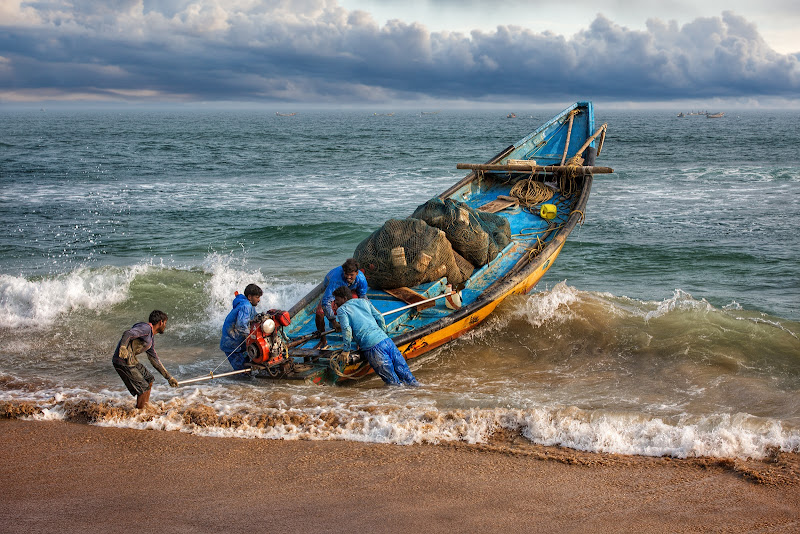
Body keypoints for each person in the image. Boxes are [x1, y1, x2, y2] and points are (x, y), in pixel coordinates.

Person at [333, 286, 419, 386]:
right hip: (386, 341)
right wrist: (383, 333)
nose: (336, 302)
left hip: (373, 347)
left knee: (393, 384)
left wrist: (346, 350)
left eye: (337, 299)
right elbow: (380, 317)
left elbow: (347, 329)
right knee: (409, 378)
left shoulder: (342, 310)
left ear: (344, 298)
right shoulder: (364, 301)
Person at [112, 310, 178, 409]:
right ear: (161, 322)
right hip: (122, 361)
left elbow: (154, 360)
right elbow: (128, 333)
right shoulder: (145, 328)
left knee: (149, 379)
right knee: (144, 388)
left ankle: (143, 406)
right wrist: (123, 347)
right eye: (165, 323)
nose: (165, 326)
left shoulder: (150, 338)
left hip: (131, 361)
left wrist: (169, 377)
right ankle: (140, 412)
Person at [315, 258, 368, 348]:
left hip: (350, 290)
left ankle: (358, 338)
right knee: (320, 313)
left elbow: (362, 297)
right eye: (346, 274)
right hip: (334, 290)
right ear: (343, 271)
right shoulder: (336, 280)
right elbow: (326, 301)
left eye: (351, 275)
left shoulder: (361, 279)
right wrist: (333, 321)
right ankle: (323, 340)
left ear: (357, 273)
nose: (348, 277)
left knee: (356, 310)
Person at [220, 283, 263, 370]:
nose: (259, 300)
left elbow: (254, 318)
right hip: (232, 343)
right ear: (250, 297)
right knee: (243, 371)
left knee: (248, 364)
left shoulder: (249, 305)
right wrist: (253, 337)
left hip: (239, 341)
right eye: (257, 297)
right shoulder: (245, 306)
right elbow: (241, 326)